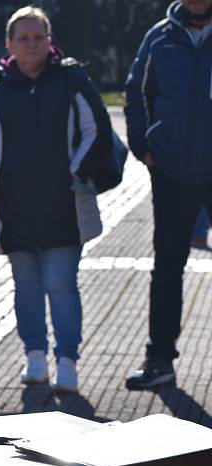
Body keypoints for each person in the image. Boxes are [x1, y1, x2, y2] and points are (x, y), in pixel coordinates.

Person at [0, 6, 114, 394]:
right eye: (23, 38)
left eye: (38, 37)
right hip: (13, 212)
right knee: (27, 288)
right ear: (10, 44)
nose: (32, 44)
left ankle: (67, 362)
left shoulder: (71, 79)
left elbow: (98, 129)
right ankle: (34, 356)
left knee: (61, 286)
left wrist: (75, 173)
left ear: (50, 41)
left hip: (64, 208)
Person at [124, 0, 212, 390]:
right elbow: (136, 92)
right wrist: (144, 145)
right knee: (168, 266)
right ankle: (160, 360)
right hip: (172, 169)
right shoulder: (159, 37)